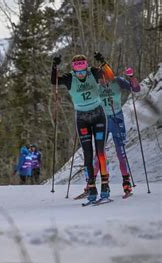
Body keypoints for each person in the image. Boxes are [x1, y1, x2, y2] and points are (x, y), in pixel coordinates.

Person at [51, 52, 113, 202]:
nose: (80, 74)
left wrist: (103, 62)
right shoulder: (70, 78)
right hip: (82, 119)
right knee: (87, 153)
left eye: (83, 70)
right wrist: (55, 66)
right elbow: (54, 81)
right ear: (74, 70)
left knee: (100, 152)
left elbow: (110, 76)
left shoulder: (92, 72)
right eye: (78, 71)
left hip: (98, 116)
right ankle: (91, 186)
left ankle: (105, 183)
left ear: (86, 68)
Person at [92, 67, 141, 195]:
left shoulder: (117, 81)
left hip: (117, 119)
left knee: (121, 151)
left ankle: (126, 182)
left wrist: (131, 77)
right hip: (102, 120)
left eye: (104, 79)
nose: (102, 82)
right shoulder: (96, 88)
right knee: (99, 152)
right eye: (100, 80)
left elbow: (136, 89)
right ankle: (91, 183)